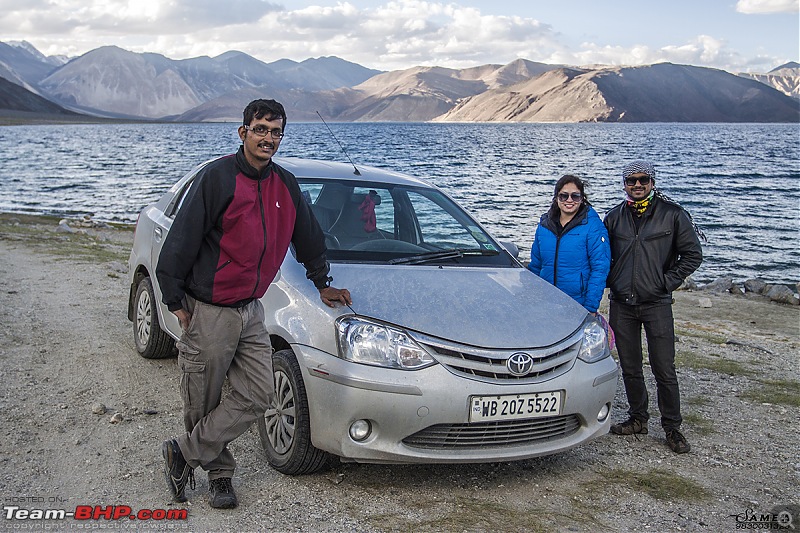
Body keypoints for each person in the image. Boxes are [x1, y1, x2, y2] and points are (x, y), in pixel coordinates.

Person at [155, 99, 352, 508]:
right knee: (203, 398)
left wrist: (322, 283)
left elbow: (309, 237)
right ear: (243, 132)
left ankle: (184, 453)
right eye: (261, 129)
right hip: (209, 309)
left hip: (251, 309)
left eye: (276, 131)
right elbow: (182, 240)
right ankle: (220, 475)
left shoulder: (285, 184)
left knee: (259, 394)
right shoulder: (217, 178)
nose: (269, 138)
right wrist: (174, 299)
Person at [604, 160, 703, 454]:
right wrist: (612, 280)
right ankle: (638, 418)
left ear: (652, 182)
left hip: (657, 303)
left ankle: (672, 428)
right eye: (631, 180)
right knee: (630, 367)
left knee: (664, 367)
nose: (637, 185)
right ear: (624, 184)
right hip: (622, 303)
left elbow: (692, 255)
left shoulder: (673, 215)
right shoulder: (613, 217)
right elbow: (600, 254)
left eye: (643, 180)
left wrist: (665, 282)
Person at [528, 175, 610, 314]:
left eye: (575, 196)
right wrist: (531, 295)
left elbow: (600, 268)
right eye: (563, 196)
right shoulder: (544, 226)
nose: (569, 200)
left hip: (578, 304)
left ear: (582, 198)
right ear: (556, 198)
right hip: (545, 302)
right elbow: (536, 265)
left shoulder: (593, 226)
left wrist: (590, 306)